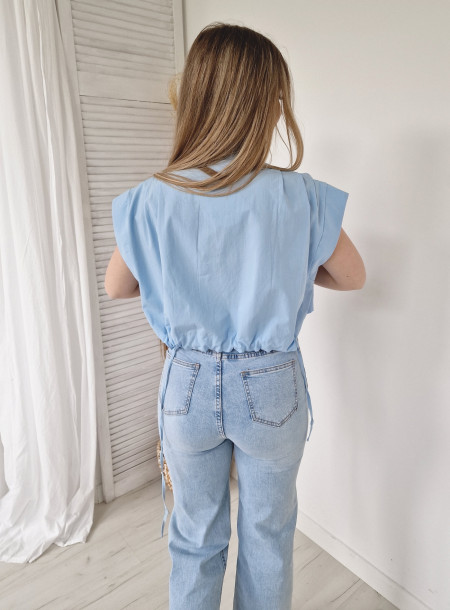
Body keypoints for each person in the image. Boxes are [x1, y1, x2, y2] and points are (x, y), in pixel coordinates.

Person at [104, 21, 366, 610]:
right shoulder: (300, 195)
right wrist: (291, 269)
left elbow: (117, 285)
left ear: (195, 97)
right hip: (272, 385)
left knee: (195, 539)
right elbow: (353, 276)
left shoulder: (152, 197)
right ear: (266, 104)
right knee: (267, 539)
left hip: (187, 386)